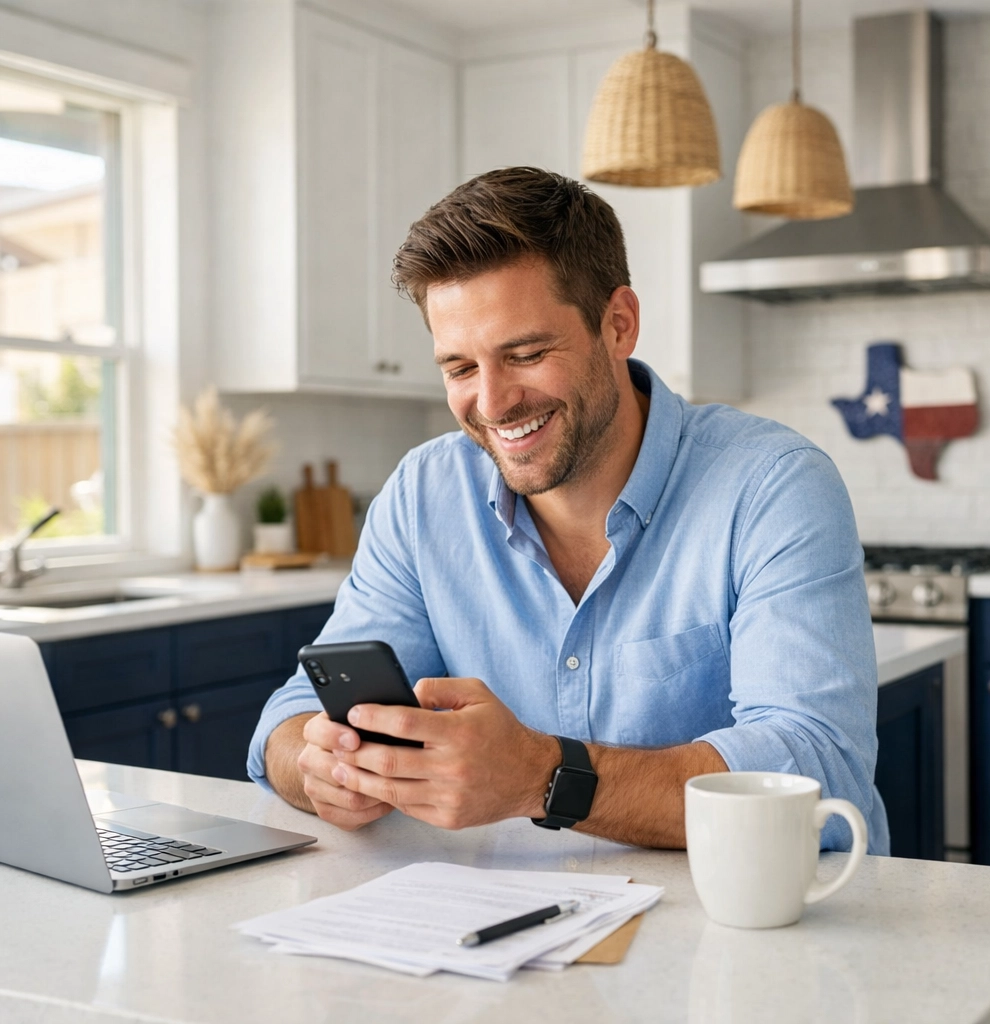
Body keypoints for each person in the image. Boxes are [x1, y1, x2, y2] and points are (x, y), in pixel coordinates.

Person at [248, 166, 889, 854]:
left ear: (619, 325)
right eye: (460, 369)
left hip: (741, 928)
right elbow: (286, 725)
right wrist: (319, 769)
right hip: (504, 932)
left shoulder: (773, 486)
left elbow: (820, 766)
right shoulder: (421, 496)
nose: (493, 404)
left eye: (525, 354)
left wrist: (542, 778)